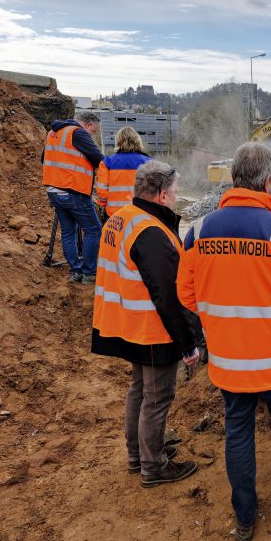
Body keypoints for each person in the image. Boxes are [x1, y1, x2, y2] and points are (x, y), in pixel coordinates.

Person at [178, 143, 271, 541]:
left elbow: (187, 296)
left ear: (233, 180)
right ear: (268, 182)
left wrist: (222, 321)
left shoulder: (199, 231)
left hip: (229, 361)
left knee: (239, 432)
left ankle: (244, 519)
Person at [92, 160, 203, 487]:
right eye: (176, 193)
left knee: (139, 391)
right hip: (151, 330)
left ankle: (136, 454)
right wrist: (188, 344)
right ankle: (153, 466)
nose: (177, 198)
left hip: (127, 324)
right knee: (156, 398)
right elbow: (169, 297)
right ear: (162, 194)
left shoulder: (122, 218)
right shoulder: (152, 232)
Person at [43, 118, 104, 283]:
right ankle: (89, 273)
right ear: (88, 124)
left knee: (68, 232)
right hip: (73, 190)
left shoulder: (53, 132)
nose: (92, 135)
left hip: (53, 190)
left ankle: (76, 271)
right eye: (94, 131)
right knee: (93, 230)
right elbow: (99, 159)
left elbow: (45, 158)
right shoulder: (78, 133)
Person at [95, 126, 153, 217]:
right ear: (137, 140)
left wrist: (103, 204)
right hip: (141, 213)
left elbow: (102, 191)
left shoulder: (107, 162)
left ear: (119, 141)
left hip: (115, 214)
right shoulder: (148, 162)